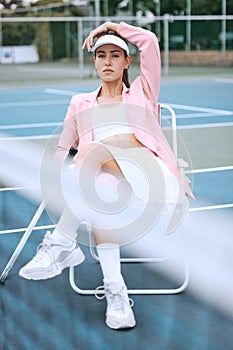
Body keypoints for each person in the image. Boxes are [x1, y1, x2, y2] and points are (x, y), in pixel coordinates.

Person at [19, 21, 193, 330]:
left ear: (128, 61)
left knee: (90, 157)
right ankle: (117, 295)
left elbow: (150, 42)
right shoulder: (80, 104)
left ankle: (61, 242)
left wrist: (112, 26)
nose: (108, 61)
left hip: (150, 179)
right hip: (110, 189)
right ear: (94, 61)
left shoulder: (143, 91)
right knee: (94, 187)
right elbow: (62, 149)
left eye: (116, 55)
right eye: (101, 55)